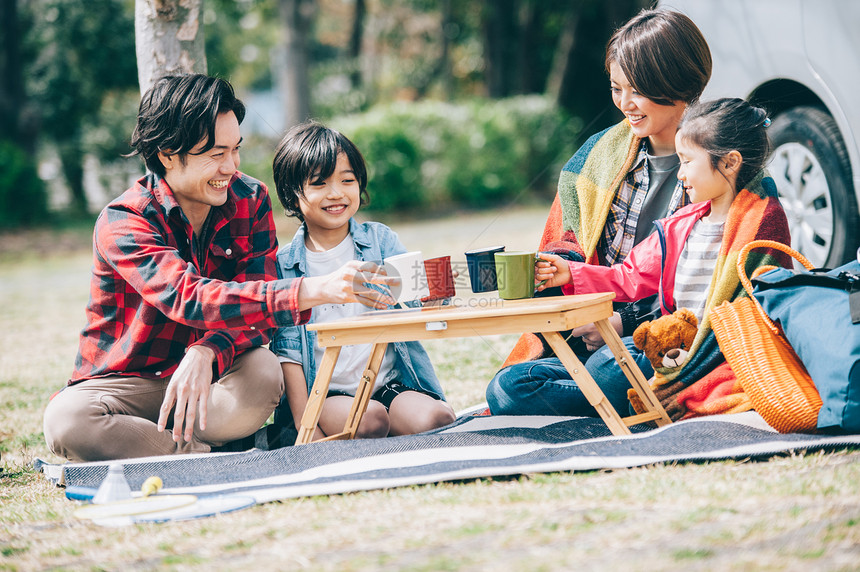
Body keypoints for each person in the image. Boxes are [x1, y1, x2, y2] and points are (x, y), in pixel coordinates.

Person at [43, 75, 397, 462]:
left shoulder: (250, 198)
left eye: (236, 149)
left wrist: (209, 350)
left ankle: (172, 451)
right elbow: (187, 296)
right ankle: (209, 455)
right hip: (129, 388)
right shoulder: (125, 220)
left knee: (264, 370)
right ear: (167, 154)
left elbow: (258, 313)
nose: (231, 166)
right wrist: (313, 289)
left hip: (213, 382)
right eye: (215, 154)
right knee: (66, 420)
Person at [494, 97, 791, 417]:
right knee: (510, 384)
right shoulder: (681, 225)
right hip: (664, 350)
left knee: (608, 364)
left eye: (687, 161)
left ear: (730, 163)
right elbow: (629, 276)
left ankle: (615, 395)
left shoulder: (761, 222)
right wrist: (570, 272)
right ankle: (614, 396)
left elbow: (759, 312)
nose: (680, 174)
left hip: (706, 358)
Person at [486, 7, 714, 416]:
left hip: (675, 336)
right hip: (598, 333)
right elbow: (571, 243)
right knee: (507, 388)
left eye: (637, 90)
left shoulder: (721, 159)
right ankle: (629, 398)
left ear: (677, 82)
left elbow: (721, 281)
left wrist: (621, 322)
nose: (625, 104)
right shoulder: (596, 155)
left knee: (611, 366)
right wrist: (560, 275)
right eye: (616, 89)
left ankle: (623, 390)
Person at [270, 121, 456, 440]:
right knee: (368, 420)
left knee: (437, 419)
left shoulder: (380, 241)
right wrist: (306, 424)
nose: (337, 193)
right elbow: (288, 352)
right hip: (328, 395)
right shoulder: (284, 265)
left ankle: (383, 432)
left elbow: (425, 295)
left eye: (347, 180)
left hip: (388, 387)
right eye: (320, 183)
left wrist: (431, 295)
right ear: (292, 193)